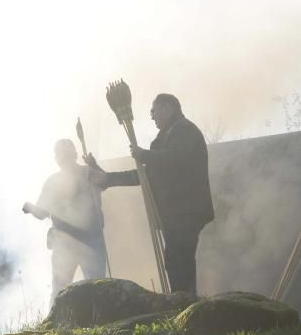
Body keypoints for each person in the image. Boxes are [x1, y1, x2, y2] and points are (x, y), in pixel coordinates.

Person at [90, 93, 214, 296]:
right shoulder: (167, 135)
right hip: (174, 210)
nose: (152, 116)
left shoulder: (184, 130)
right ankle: (183, 303)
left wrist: (144, 154)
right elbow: (147, 175)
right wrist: (108, 179)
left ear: (168, 107)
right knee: (176, 261)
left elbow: (176, 159)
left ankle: (183, 303)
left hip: (185, 209)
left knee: (178, 260)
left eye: (154, 111)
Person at [23, 139, 107, 299]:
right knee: (94, 285)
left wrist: (29, 207)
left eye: (58, 153)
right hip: (82, 240)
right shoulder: (86, 172)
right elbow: (105, 181)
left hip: (71, 240)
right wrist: (94, 166)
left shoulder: (79, 175)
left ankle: (61, 321)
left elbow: (40, 213)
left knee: (62, 290)